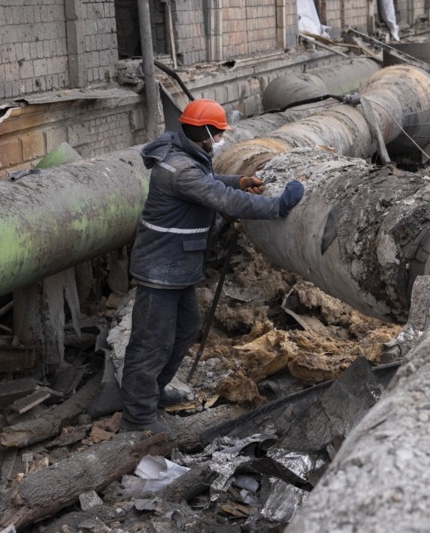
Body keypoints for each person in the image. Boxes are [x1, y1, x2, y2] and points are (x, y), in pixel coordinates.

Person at [120, 99, 305, 435]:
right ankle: (137, 418)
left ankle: (153, 391)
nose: (219, 139)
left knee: (185, 329)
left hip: (176, 266)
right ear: (203, 132)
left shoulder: (186, 156)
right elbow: (221, 199)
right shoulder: (181, 169)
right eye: (217, 133)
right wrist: (277, 206)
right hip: (161, 269)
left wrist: (239, 181)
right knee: (152, 342)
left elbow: (214, 184)